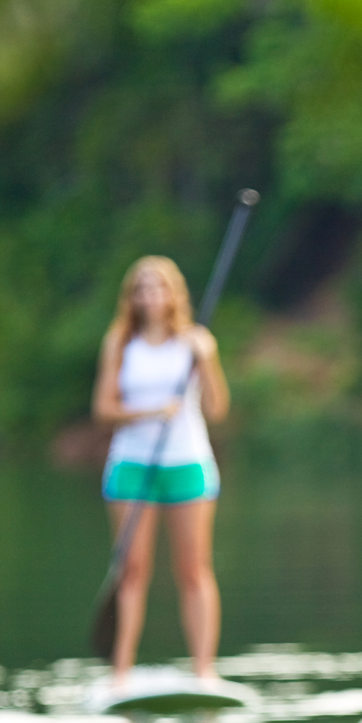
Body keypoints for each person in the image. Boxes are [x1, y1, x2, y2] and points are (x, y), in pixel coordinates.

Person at [91, 256, 229, 688]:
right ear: (132, 297)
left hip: (187, 463)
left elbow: (217, 409)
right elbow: (103, 410)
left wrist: (206, 360)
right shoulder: (120, 342)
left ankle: (204, 670)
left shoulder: (195, 342)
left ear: (174, 294)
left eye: (159, 288)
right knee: (131, 570)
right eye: (142, 289)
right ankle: (121, 674)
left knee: (194, 569)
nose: (151, 296)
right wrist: (151, 411)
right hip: (133, 466)